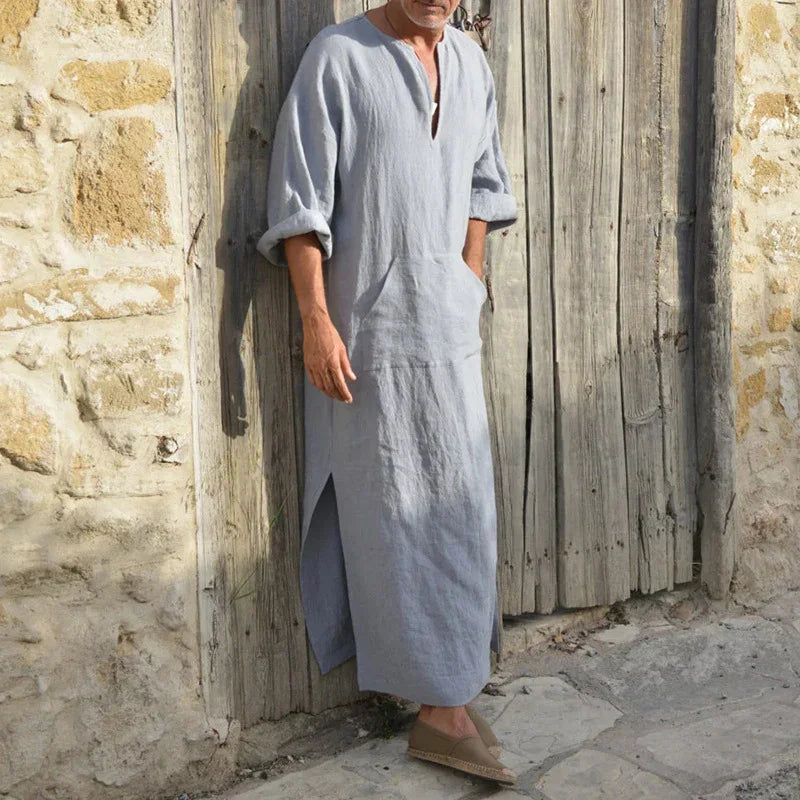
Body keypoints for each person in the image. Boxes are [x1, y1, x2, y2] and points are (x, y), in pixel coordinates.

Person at [257, 0, 518, 784]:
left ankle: (452, 684)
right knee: (394, 513)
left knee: (458, 506)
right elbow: (301, 207)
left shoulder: (471, 63)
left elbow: (482, 181)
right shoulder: (337, 59)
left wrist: (466, 279)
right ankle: (438, 708)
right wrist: (315, 321)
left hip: (445, 330)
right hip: (368, 341)